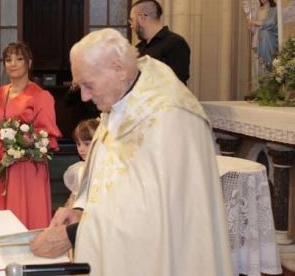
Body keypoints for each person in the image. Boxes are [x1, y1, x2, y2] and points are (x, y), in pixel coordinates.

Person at [29, 28, 232, 276]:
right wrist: (80, 211)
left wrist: (74, 235)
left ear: (118, 68)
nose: (84, 97)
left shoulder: (170, 118)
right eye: (79, 86)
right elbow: (108, 180)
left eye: (88, 85)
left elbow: (154, 216)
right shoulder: (123, 102)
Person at [0, 42, 61, 229]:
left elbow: (48, 136)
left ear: (29, 63)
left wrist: (24, 145)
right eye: (8, 59)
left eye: (19, 59)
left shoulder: (40, 96)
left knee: (23, 213)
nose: (13, 63)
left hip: (26, 166)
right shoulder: (1, 92)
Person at [129, 0, 191, 84]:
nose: (131, 26)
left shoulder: (175, 43)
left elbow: (176, 83)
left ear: (142, 18)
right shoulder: (139, 48)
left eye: (132, 20)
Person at [62, 118, 99, 208]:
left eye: (87, 144)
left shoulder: (108, 169)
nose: (81, 149)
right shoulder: (79, 170)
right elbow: (74, 196)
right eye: (78, 144)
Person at [250, 0, 279, 71]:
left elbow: (271, 23)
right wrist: (251, 25)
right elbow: (255, 24)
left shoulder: (274, 9)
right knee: (258, 59)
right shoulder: (259, 9)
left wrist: (255, 22)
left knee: (269, 60)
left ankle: (268, 76)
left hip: (269, 37)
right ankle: (259, 80)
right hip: (258, 36)